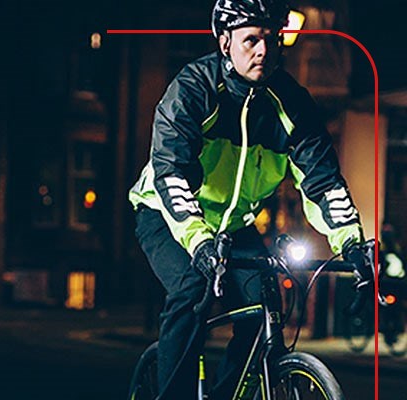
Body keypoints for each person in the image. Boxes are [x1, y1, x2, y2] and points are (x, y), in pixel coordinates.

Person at [129, 1, 372, 398]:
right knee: (192, 288)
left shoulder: (291, 103)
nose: (264, 50)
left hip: (232, 226)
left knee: (265, 302)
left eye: (271, 39)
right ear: (225, 42)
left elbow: (324, 183)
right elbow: (172, 173)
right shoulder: (194, 89)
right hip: (165, 213)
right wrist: (198, 241)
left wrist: (352, 245)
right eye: (251, 40)